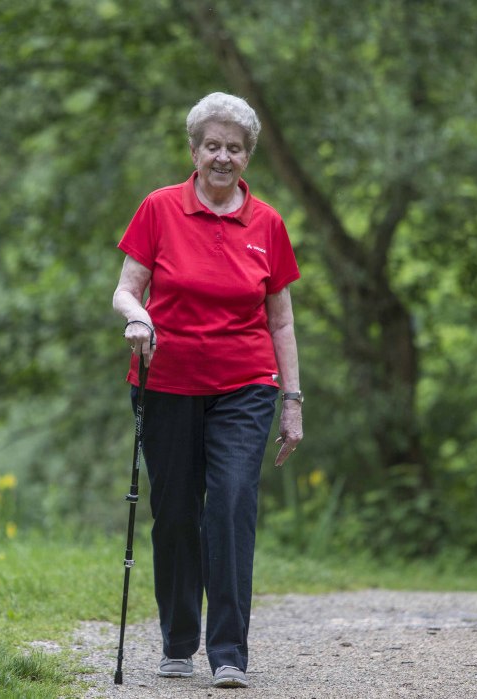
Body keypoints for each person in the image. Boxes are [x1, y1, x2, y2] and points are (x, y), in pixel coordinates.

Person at [111, 91, 303, 689]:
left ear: (248, 156)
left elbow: (282, 321)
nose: (223, 156)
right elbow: (125, 288)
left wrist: (292, 402)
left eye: (235, 148)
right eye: (212, 145)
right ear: (194, 150)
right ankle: (176, 641)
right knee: (173, 514)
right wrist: (137, 317)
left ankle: (228, 653)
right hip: (165, 381)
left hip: (246, 383)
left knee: (229, 506)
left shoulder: (267, 223)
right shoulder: (159, 208)